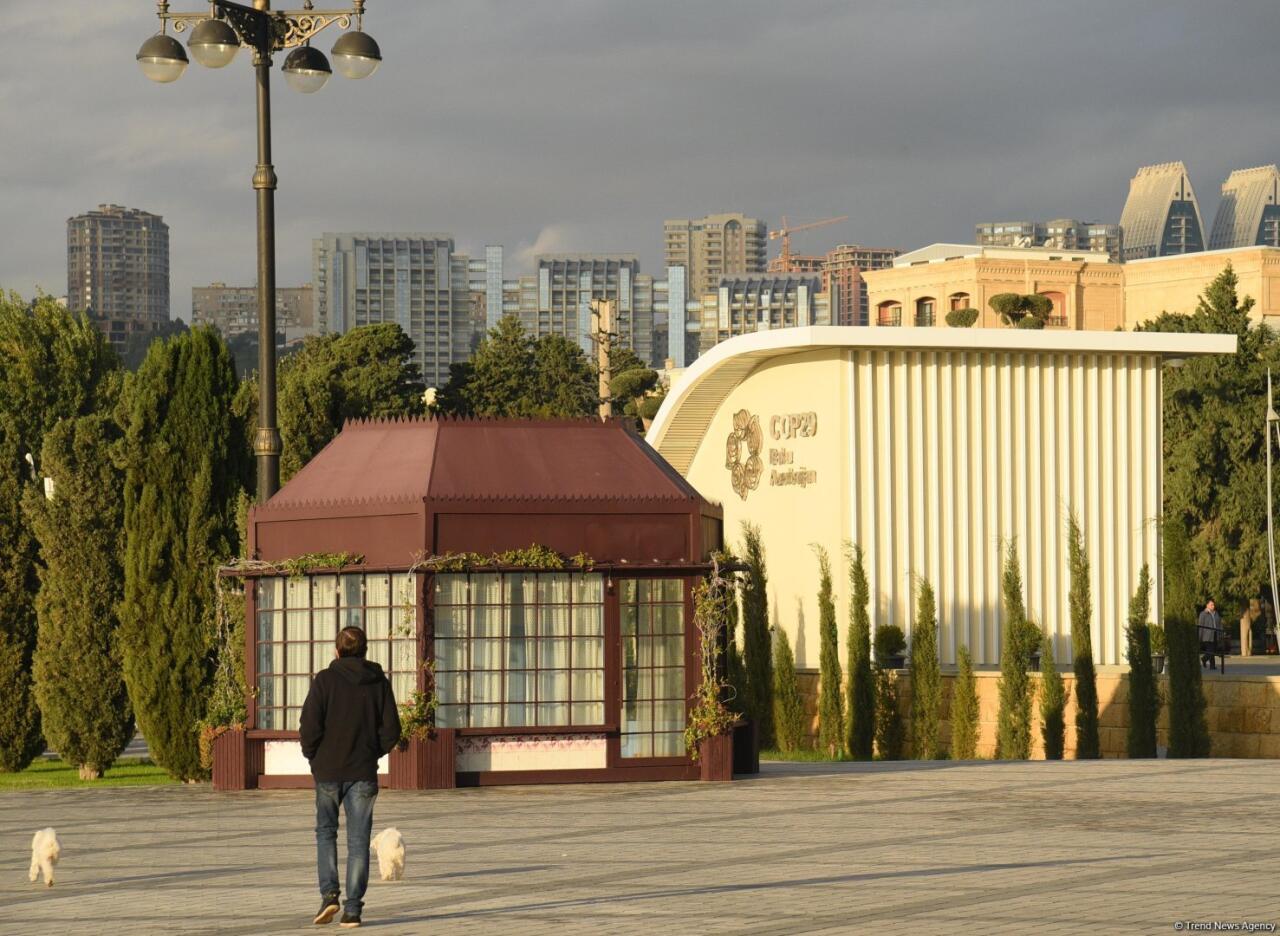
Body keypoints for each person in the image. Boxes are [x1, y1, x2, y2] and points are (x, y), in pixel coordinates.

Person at [300, 626, 401, 928]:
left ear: (337, 650)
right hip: (363, 771)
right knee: (358, 841)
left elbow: (309, 726)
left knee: (325, 833)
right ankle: (353, 909)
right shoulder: (378, 683)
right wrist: (373, 753)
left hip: (328, 770)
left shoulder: (325, 681)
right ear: (365, 650)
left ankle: (330, 894)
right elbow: (392, 730)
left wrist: (314, 757)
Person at [1197, 599, 1222, 669]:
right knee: (1210, 650)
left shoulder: (1216, 613)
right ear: (1207, 605)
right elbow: (1200, 625)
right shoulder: (1203, 614)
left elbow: (1219, 623)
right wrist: (1200, 637)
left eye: (1213, 605)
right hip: (1207, 635)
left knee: (1213, 650)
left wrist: (1220, 632)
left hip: (1215, 634)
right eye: (1211, 605)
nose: (1213, 606)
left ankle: (1212, 666)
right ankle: (1204, 659)